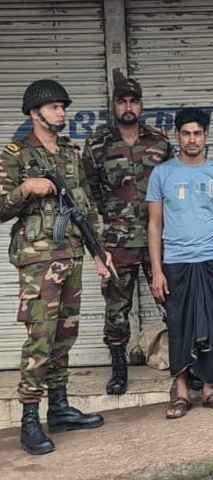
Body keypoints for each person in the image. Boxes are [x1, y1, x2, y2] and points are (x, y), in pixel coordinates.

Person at [1, 79, 113, 455]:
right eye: (54, 107)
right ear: (35, 113)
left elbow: (85, 205)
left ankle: (60, 407)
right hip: (38, 261)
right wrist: (25, 189)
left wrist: (99, 251)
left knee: (65, 334)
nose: (61, 112)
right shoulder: (16, 155)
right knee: (41, 338)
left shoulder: (69, 152)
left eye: (63, 107)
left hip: (72, 253)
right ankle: (30, 419)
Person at [81, 71, 171, 395]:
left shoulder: (159, 142)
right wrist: (97, 244)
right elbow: (88, 194)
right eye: (122, 101)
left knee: (171, 301)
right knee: (116, 309)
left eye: (133, 101)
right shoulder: (97, 144)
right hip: (117, 241)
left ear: (141, 105)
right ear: (114, 106)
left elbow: (173, 189)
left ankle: (184, 364)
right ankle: (119, 368)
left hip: (158, 240)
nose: (128, 107)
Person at [147, 108, 213, 419]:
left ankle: (211, 389)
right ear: (177, 137)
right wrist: (157, 271)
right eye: (186, 134)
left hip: (212, 261)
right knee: (179, 326)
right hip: (176, 262)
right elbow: (154, 225)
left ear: (206, 136)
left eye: (197, 133)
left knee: (212, 325)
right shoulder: (162, 174)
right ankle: (182, 393)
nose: (192, 139)